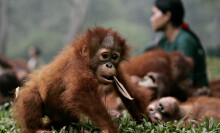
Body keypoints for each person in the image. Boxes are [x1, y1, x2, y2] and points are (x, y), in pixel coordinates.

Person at [145, 0, 209, 88]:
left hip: (194, 93)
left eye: (154, 14)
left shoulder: (185, 40)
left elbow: (185, 82)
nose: (151, 19)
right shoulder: (160, 42)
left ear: (167, 15)